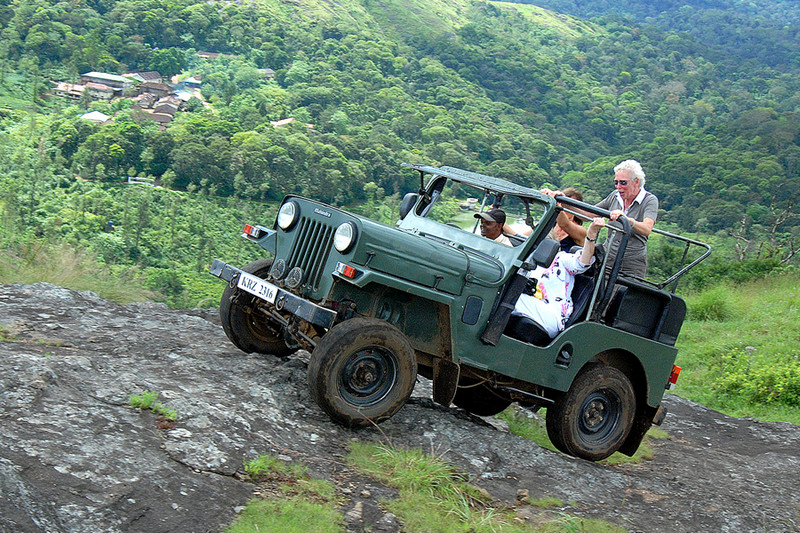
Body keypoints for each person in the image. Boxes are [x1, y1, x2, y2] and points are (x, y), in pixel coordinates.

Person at [550, 159, 658, 278]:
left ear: (636, 182)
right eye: (616, 182)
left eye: (623, 183)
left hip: (631, 264)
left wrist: (627, 220)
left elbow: (647, 228)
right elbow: (588, 214)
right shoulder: (614, 196)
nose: (618, 187)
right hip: (608, 258)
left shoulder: (649, 200)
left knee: (619, 294)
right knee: (594, 292)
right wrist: (563, 200)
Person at [511, 217, 605, 343]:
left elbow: (583, 262)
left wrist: (591, 233)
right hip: (528, 306)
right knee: (504, 293)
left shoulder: (561, 259)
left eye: (544, 242)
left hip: (550, 314)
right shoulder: (528, 259)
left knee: (505, 294)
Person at [504, 187, 585, 252]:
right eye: (563, 204)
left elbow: (565, 224)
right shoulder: (549, 224)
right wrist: (500, 221)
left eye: (570, 205)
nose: (565, 207)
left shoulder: (581, 232)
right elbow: (519, 237)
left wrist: (556, 204)